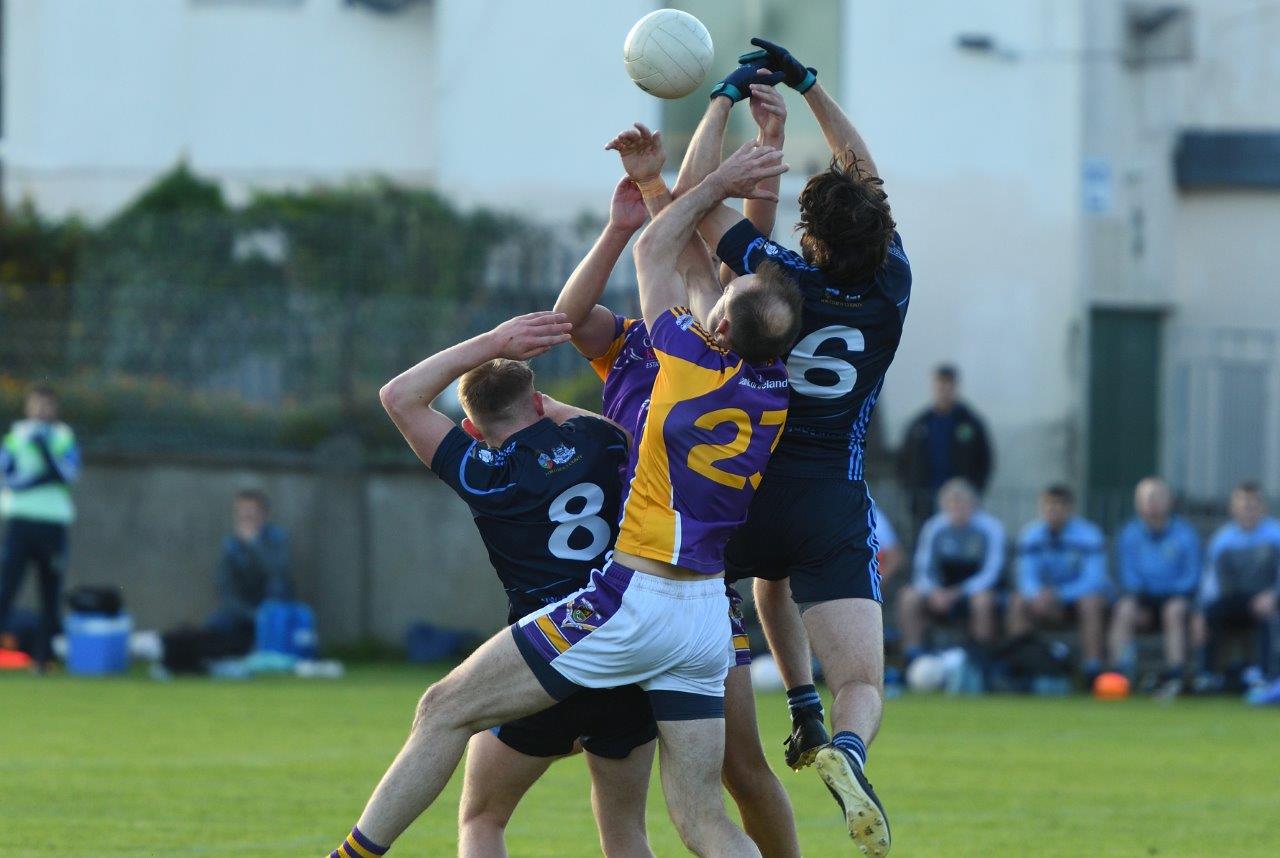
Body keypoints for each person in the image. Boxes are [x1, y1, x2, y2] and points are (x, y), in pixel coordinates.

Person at [326, 140, 797, 858]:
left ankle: (350, 856)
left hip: (636, 597)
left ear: (721, 328)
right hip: (706, 618)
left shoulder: (687, 360)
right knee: (700, 815)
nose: (708, 302)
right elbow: (710, 280)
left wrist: (715, 183)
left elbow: (661, 257)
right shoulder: (773, 386)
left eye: (718, 308)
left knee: (442, 708)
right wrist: (676, 186)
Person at [551, 102, 802, 856]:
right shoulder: (633, 344)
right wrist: (630, 215)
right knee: (618, 775)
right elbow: (571, 316)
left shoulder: (698, 349)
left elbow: (718, 260)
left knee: (741, 772)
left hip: (682, 577)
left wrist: (684, 182)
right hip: (631, 568)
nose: (708, 289)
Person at [678, 39, 910, 855]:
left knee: (762, 585)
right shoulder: (890, 286)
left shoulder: (779, 280)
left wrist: (720, 99)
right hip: (830, 498)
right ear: (878, 228)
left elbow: (695, 205)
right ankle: (843, 744)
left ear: (808, 235)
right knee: (866, 681)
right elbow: (866, 177)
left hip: (742, 487)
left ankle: (792, 712)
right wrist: (811, 85)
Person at [374, 312, 654, 858]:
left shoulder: (486, 471)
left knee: (482, 818)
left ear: (473, 430)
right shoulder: (599, 440)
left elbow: (398, 396)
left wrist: (491, 343)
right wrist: (543, 406)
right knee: (626, 831)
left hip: (541, 657)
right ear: (539, 400)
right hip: (624, 650)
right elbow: (616, 434)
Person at [0, 385, 81, 672]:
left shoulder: (63, 438)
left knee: (50, 592)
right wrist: (44, 477)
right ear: (27, 407)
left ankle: (43, 658)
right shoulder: (15, 438)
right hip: (20, 522)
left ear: (55, 409)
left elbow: (68, 474)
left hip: (52, 523)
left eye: (47, 406)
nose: (41, 411)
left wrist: (45, 451)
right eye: (36, 405)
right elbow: (8, 478)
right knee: (6, 589)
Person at [1006, 485, 1111, 684]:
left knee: (1091, 603)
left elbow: (1094, 579)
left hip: (1074, 599)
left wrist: (1059, 594)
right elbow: (1025, 575)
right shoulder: (1031, 535)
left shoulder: (1089, 535)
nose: (1053, 511)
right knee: (1018, 601)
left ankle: (1092, 670)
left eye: (1058, 506)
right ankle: (1020, 664)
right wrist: (1036, 593)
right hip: (1043, 600)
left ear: (1070, 508)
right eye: (1048, 506)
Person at [1106, 477, 1200, 697]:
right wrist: (1144, 591)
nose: (1152, 503)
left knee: (1174, 611)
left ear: (1169, 501)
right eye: (1146, 499)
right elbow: (1127, 575)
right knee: (1124, 610)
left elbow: (1191, 574)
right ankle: (1119, 675)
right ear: (1138, 503)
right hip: (1142, 598)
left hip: (1176, 597)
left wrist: (1169, 590)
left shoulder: (1185, 534)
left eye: (1157, 497)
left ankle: (1176, 675)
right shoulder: (1129, 534)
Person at [896, 479, 1004, 659]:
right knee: (909, 597)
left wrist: (958, 593)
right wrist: (934, 592)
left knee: (982, 601)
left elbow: (991, 572)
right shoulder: (934, 528)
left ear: (974, 505)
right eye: (952, 504)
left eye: (962, 503)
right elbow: (923, 569)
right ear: (943, 505)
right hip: (940, 591)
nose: (957, 509)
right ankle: (912, 655)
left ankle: (980, 659)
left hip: (974, 592)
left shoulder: (991, 529)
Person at [1194, 481, 1280, 686]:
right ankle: (1208, 677)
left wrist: (1274, 596)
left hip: (1269, 598)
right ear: (1233, 509)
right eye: (1243, 506)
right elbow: (1210, 582)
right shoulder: (1222, 540)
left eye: (1253, 506)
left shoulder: (1275, 535)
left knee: (1270, 614)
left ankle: (1267, 676)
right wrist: (1200, 612)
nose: (1248, 511)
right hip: (1236, 600)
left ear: (1262, 508)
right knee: (1210, 614)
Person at [896, 365, 993, 532]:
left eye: (948, 384)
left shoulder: (970, 423)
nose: (944, 390)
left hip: (960, 503)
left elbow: (984, 459)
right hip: (925, 500)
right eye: (940, 384)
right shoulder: (920, 423)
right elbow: (903, 460)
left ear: (955, 387)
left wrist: (974, 491)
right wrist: (911, 489)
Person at [205, 489, 294, 655]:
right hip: (242, 611)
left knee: (277, 594)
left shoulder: (277, 540)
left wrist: (253, 545)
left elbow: (277, 574)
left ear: (263, 516)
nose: (245, 520)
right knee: (216, 624)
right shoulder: (230, 546)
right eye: (241, 515)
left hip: (273, 608)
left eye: (250, 515)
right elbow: (225, 588)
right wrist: (249, 614)